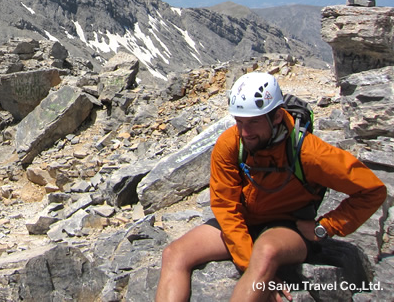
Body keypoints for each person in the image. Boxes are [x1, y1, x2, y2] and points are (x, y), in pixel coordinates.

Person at [155, 72, 386, 302]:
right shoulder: (230, 143)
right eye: (239, 122)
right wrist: (254, 271)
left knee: (265, 253)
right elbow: (225, 207)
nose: (245, 133)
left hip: (287, 227)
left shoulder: (309, 152)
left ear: (277, 116)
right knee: (175, 254)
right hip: (244, 222)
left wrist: (324, 227)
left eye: (253, 122)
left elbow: (372, 190)